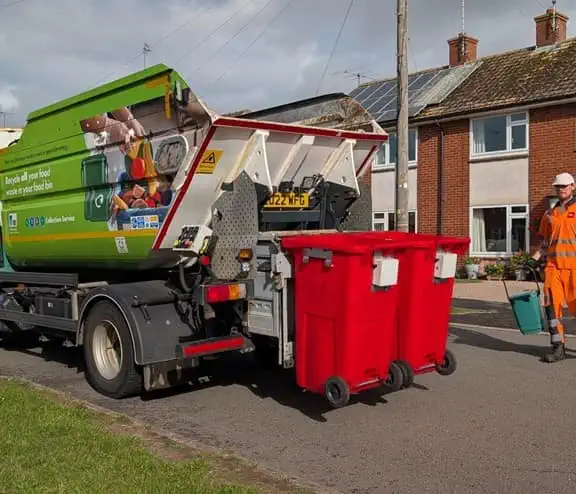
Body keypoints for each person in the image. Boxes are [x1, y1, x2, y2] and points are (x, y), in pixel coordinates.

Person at [532, 172, 576, 362]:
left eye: (565, 185)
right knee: (552, 308)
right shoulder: (549, 214)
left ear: (573, 186)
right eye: (558, 186)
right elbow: (545, 242)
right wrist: (532, 259)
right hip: (553, 268)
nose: (561, 189)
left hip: (574, 268)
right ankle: (558, 347)